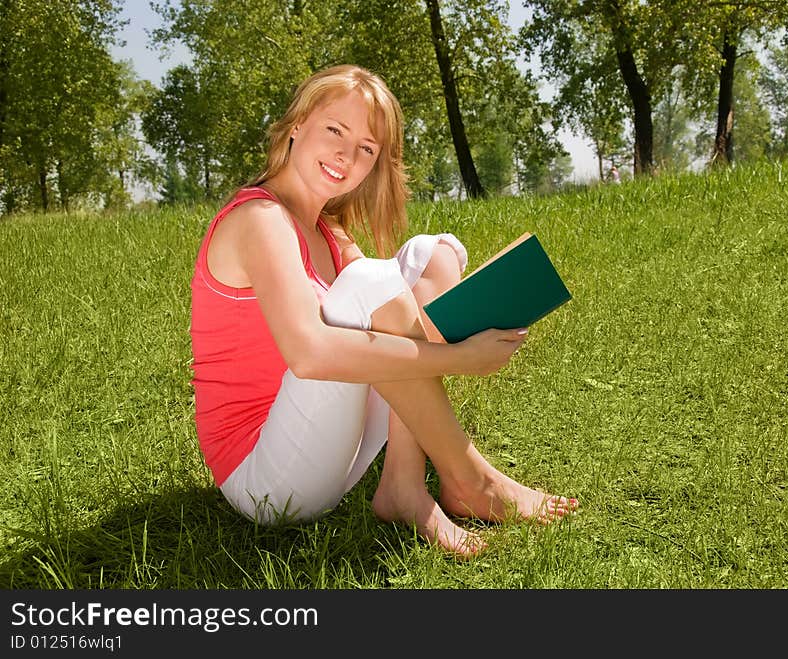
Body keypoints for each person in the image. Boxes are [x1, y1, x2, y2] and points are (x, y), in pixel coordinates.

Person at [189, 64, 578, 558]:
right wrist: (461, 358)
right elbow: (310, 355)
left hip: (323, 445)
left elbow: (394, 308)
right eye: (335, 130)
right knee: (369, 282)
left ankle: (403, 485)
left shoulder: (329, 231)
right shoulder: (258, 219)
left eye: (366, 148)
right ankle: (469, 476)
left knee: (432, 254)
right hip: (267, 479)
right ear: (296, 125)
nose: (346, 155)